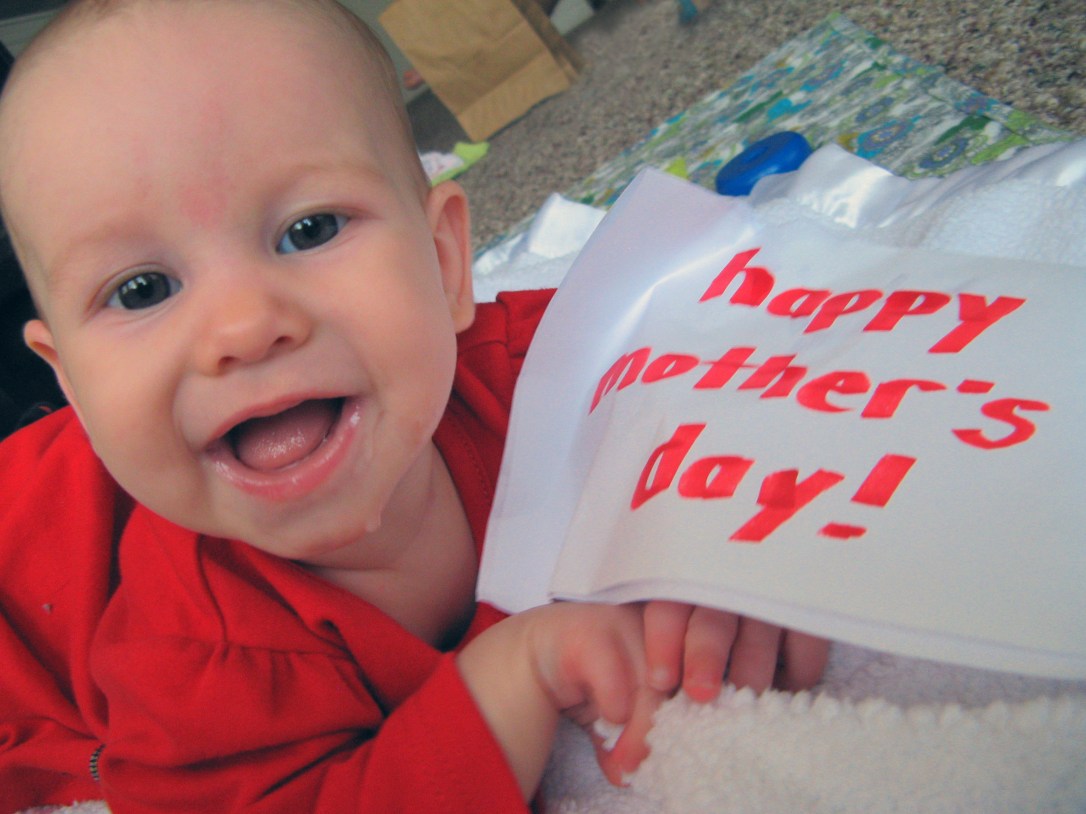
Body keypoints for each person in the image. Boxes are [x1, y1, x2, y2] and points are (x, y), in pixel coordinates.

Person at [0, 1, 828, 811]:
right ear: (69, 383)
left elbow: (735, 373)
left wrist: (727, 541)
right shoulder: (187, 660)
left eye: (309, 229)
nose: (244, 328)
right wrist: (511, 679)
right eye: (141, 290)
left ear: (445, 263)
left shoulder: (560, 370)